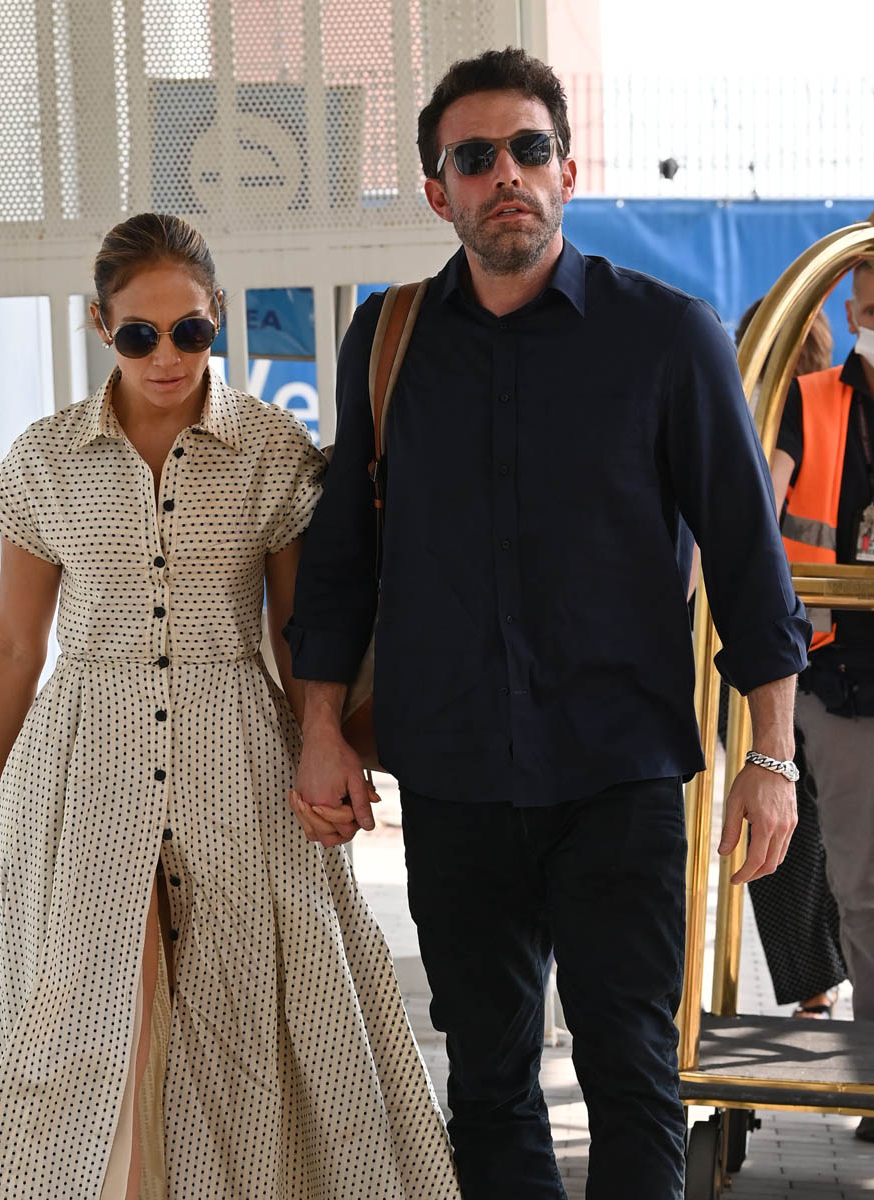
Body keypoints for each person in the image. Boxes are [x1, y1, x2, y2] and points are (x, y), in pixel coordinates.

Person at [285, 48, 810, 1199]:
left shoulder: (666, 336)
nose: (505, 175)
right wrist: (319, 728)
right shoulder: (387, 341)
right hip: (453, 777)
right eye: (473, 158)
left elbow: (745, 558)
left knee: (631, 1074)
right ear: (439, 193)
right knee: (486, 1084)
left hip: (618, 774)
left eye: (528, 149)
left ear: (567, 171)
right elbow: (339, 563)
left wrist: (770, 758)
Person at [0, 212, 460, 1199]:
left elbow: (297, 632)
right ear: (101, 325)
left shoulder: (268, 449)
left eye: (190, 330)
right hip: (80, 767)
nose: (167, 356)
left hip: (238, 756)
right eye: (140, 334)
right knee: (92, 1023)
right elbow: (13, 644)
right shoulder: (47, 458)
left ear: (217, 314)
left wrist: (322, 750)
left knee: (245, 1019)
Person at [771, 259, 874, 1142]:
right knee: (860, 885)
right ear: (849, 306)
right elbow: (756, 520)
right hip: (842, 682)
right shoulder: (809, 404)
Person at [725, 301, 847, 1021]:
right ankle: (822, 981)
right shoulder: (831, 411)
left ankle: (814, 988)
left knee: (780, 827)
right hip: (822, 648)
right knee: (815, 827)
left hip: (775, 651)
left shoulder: (759, 420)